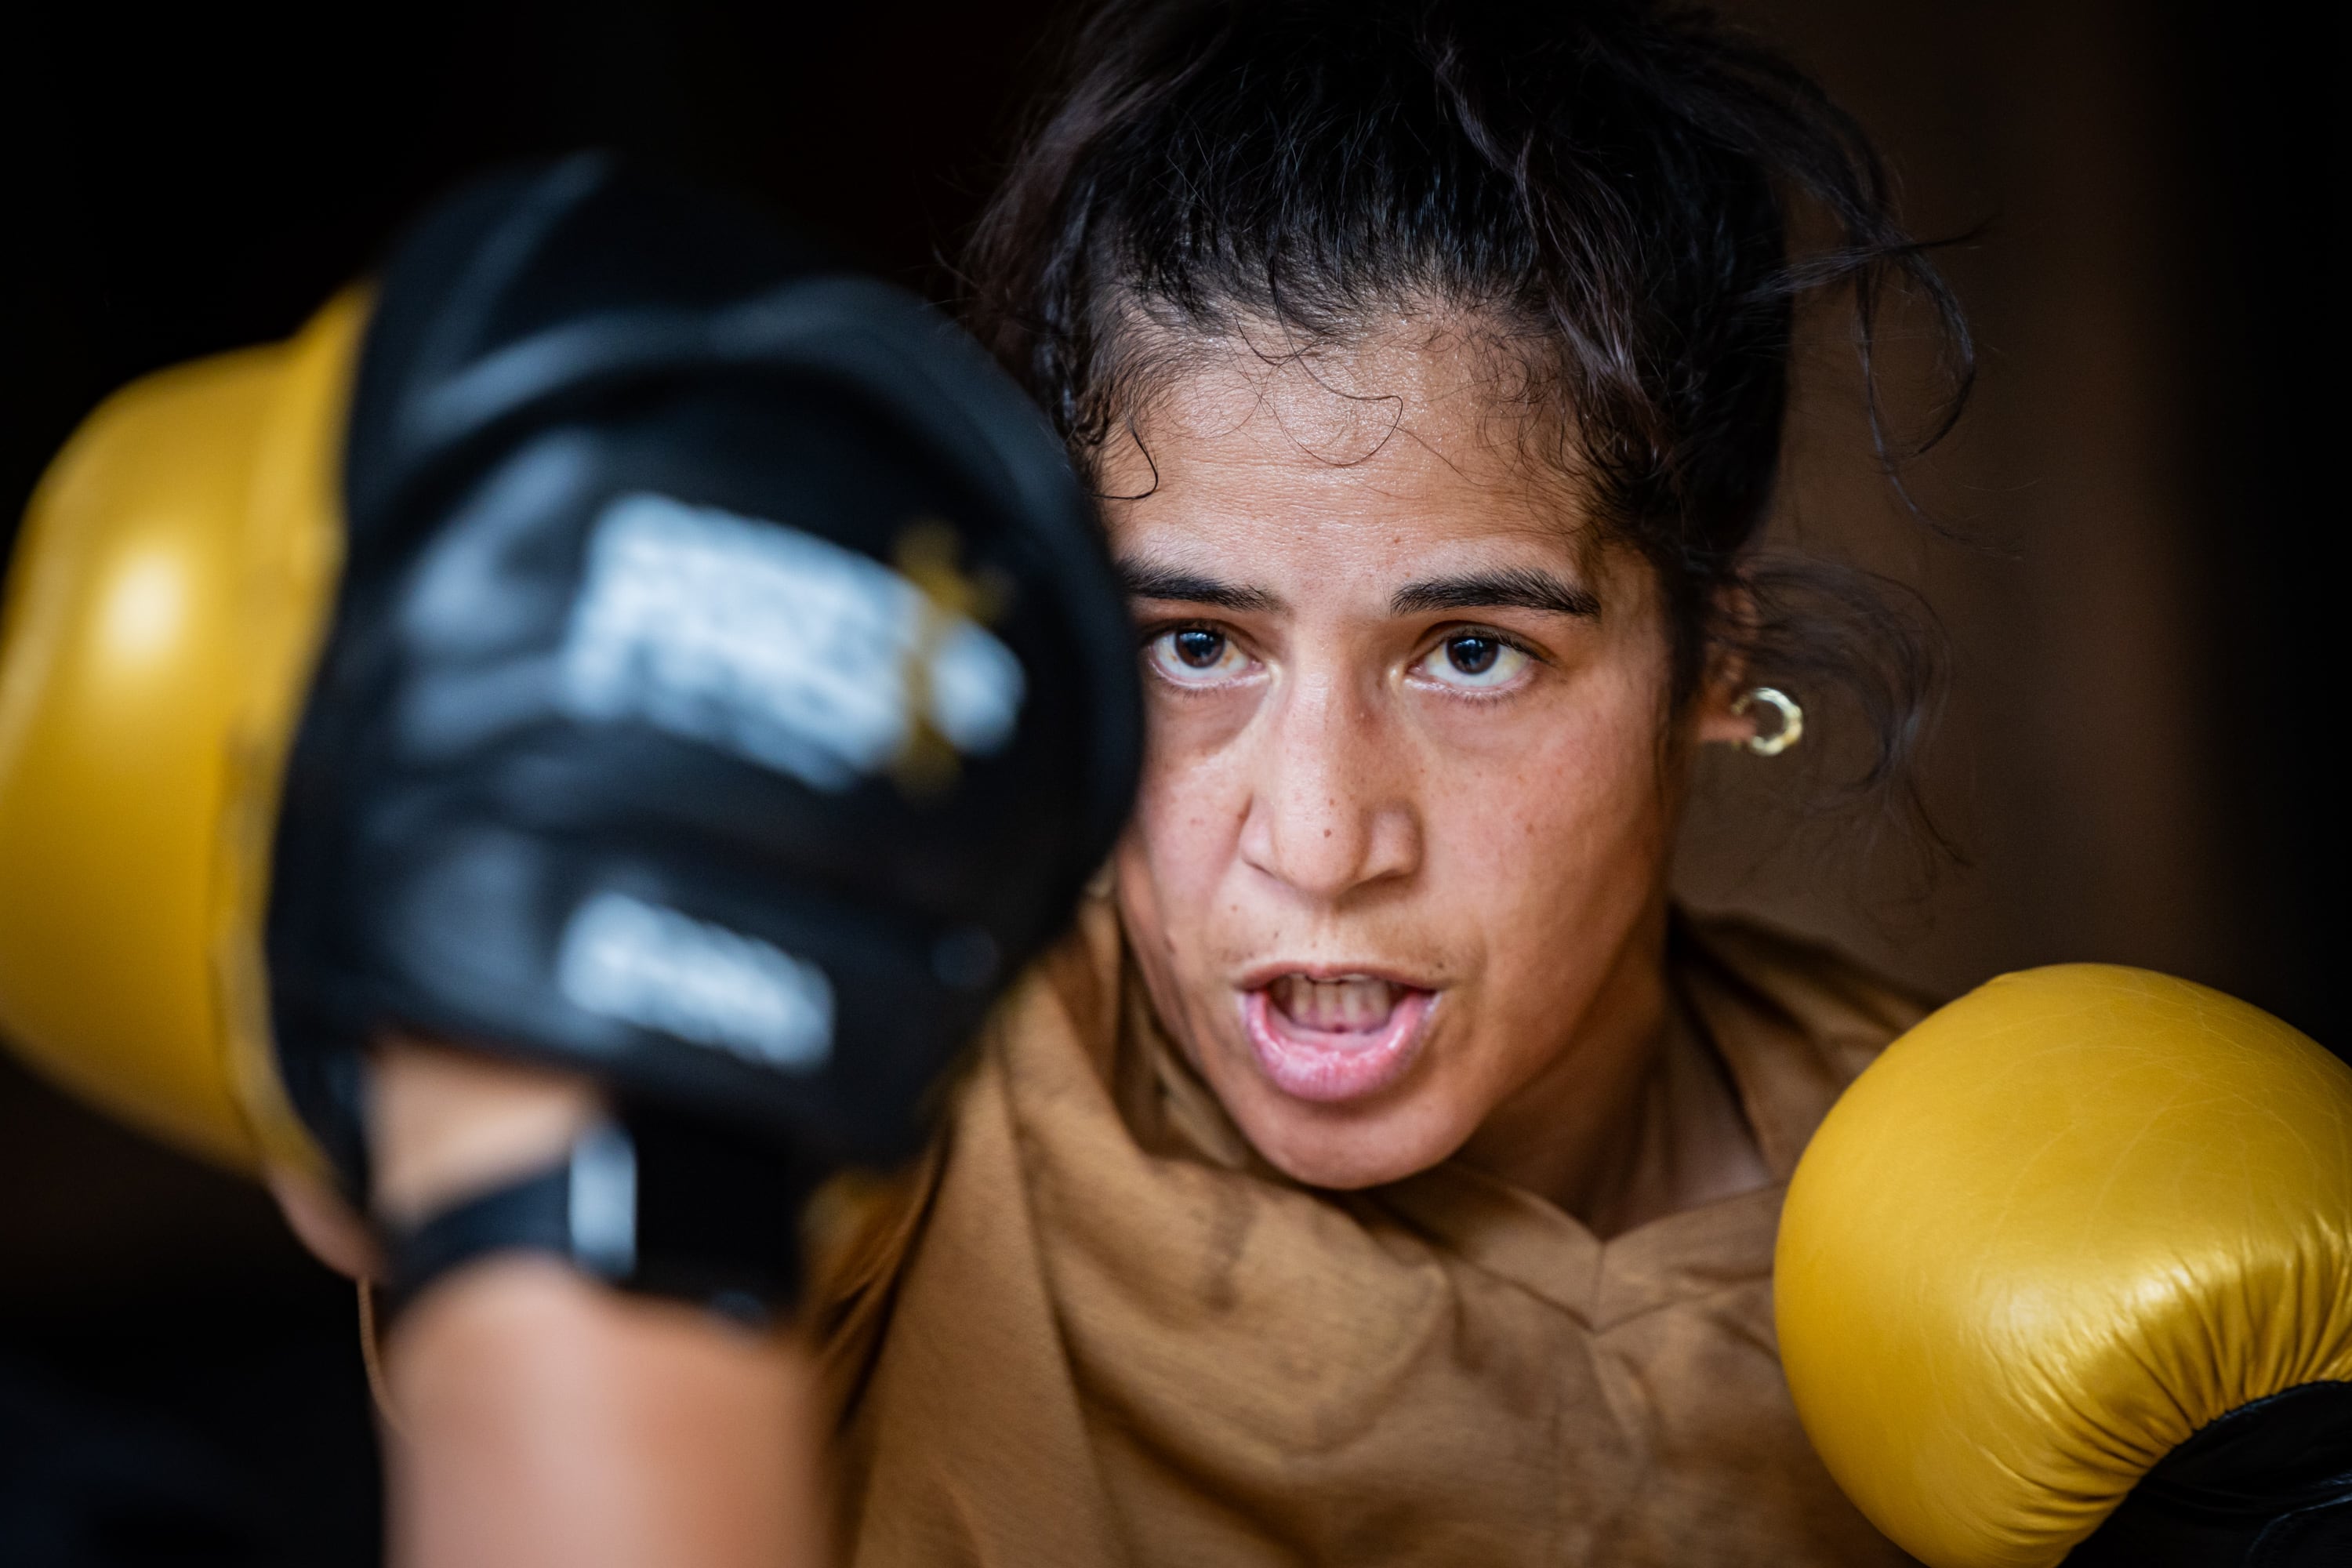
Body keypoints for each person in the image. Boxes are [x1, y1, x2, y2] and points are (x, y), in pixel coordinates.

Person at [289, 2, 1976, 1563]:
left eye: (1471, 650)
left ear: (1708, 663)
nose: (1317, 834)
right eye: (1194, 643)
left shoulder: (1967, 1196)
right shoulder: (905, 1073)